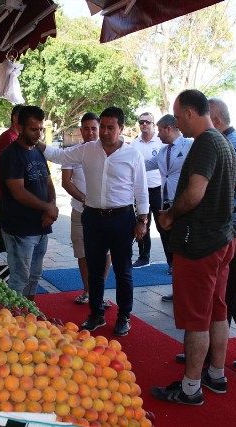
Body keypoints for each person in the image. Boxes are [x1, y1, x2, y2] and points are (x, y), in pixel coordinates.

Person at [151, 90, 236, 406]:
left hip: (200, 244)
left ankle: (190, 389)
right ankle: (216, 374)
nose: (176, 123)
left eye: (177, 116)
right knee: (217, 311)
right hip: (220, 240)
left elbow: (195, 193)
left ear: (189, 113)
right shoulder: (223, 142)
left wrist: (170, 216)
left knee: (196, 319)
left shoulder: (205, 144)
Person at [176, 98, 236, 369]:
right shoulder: (224, 141)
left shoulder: (231, 144)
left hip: (229, 235)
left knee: (223, 299)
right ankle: (235, 355)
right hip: (228, 234)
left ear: (216, 120)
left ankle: (208, 360)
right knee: (231, 295)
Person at [38, 107, 149, 337]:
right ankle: (96, 313)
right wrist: (36, 141)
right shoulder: (87, 150)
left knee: (123, 271)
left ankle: (124, 316)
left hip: (122, 219)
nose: (105, 132)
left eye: (111, 127)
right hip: (93, 218)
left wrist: (142, 220)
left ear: (121, 128)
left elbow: (141, 189)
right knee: (95, 271)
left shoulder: (133, 154)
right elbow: (59, 156)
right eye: (104, 127)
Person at [0, 106, 57, 301]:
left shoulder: (37, 151)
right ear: (20, 127)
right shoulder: (11, 154)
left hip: (41, 227)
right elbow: (19, 193)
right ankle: (13, 316)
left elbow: (48, 183)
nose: (38, 134)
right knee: (19, 279)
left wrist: (52, 206)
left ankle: (30, 313)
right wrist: (48, 208)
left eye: (40, 129)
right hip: (20, 230)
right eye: (33, 129)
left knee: (34, 277)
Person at [61, 112, 112, 307]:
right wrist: (84, 199)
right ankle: (88, 291)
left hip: (104, 213)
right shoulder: (72, 153)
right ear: (80, 130)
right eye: (86, 128)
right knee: (82, 252)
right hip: (79, 211)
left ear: (99, 129)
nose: (90, 132)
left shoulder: (109, 152)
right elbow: (66, 182)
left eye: (94, 128)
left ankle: (99, 291)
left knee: (106, 252)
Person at [143, 114, 193, 300]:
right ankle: (179, 289)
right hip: (166, 205)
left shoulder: (190, 145)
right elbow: (144, 165)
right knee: (173, 248)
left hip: (184, 205)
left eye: (159, 130)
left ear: (168, 128)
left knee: (186, 250)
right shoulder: (163, 152)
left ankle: (189, 290)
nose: (158, 135)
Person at [131, 112, 163, 268]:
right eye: (141, 122)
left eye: (147, 122)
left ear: (153, 125)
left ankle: (171, 261)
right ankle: (144, 257)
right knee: (142, 224)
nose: (144, 124)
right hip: (140, 191)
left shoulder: (161, 142)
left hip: (157, 189)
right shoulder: (134, 144)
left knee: (163, 225)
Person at [0, 105, 23, 252]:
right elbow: (9, 170)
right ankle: (3, 264)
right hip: (2, 197)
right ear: (15, 119)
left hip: (4, 197)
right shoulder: (9, 138)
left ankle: (2, 264)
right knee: (6, 237)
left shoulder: (14, 137)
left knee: (5, 235)